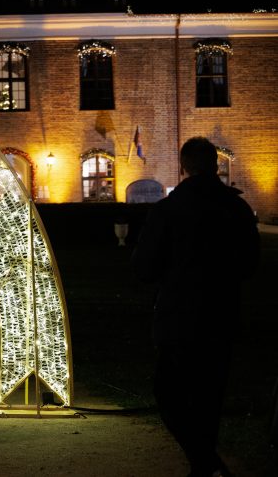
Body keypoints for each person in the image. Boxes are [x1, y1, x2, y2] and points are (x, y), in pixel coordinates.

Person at [132, 137, 259, 476]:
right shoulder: (236, 208)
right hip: (222, 314)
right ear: (216, 165)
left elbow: (144, 267)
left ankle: (202, 461)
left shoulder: (168, 210)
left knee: (168, 392)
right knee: (209, 395)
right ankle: (205, 462)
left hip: (178, 316)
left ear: (184, 166)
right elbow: (250, 265)